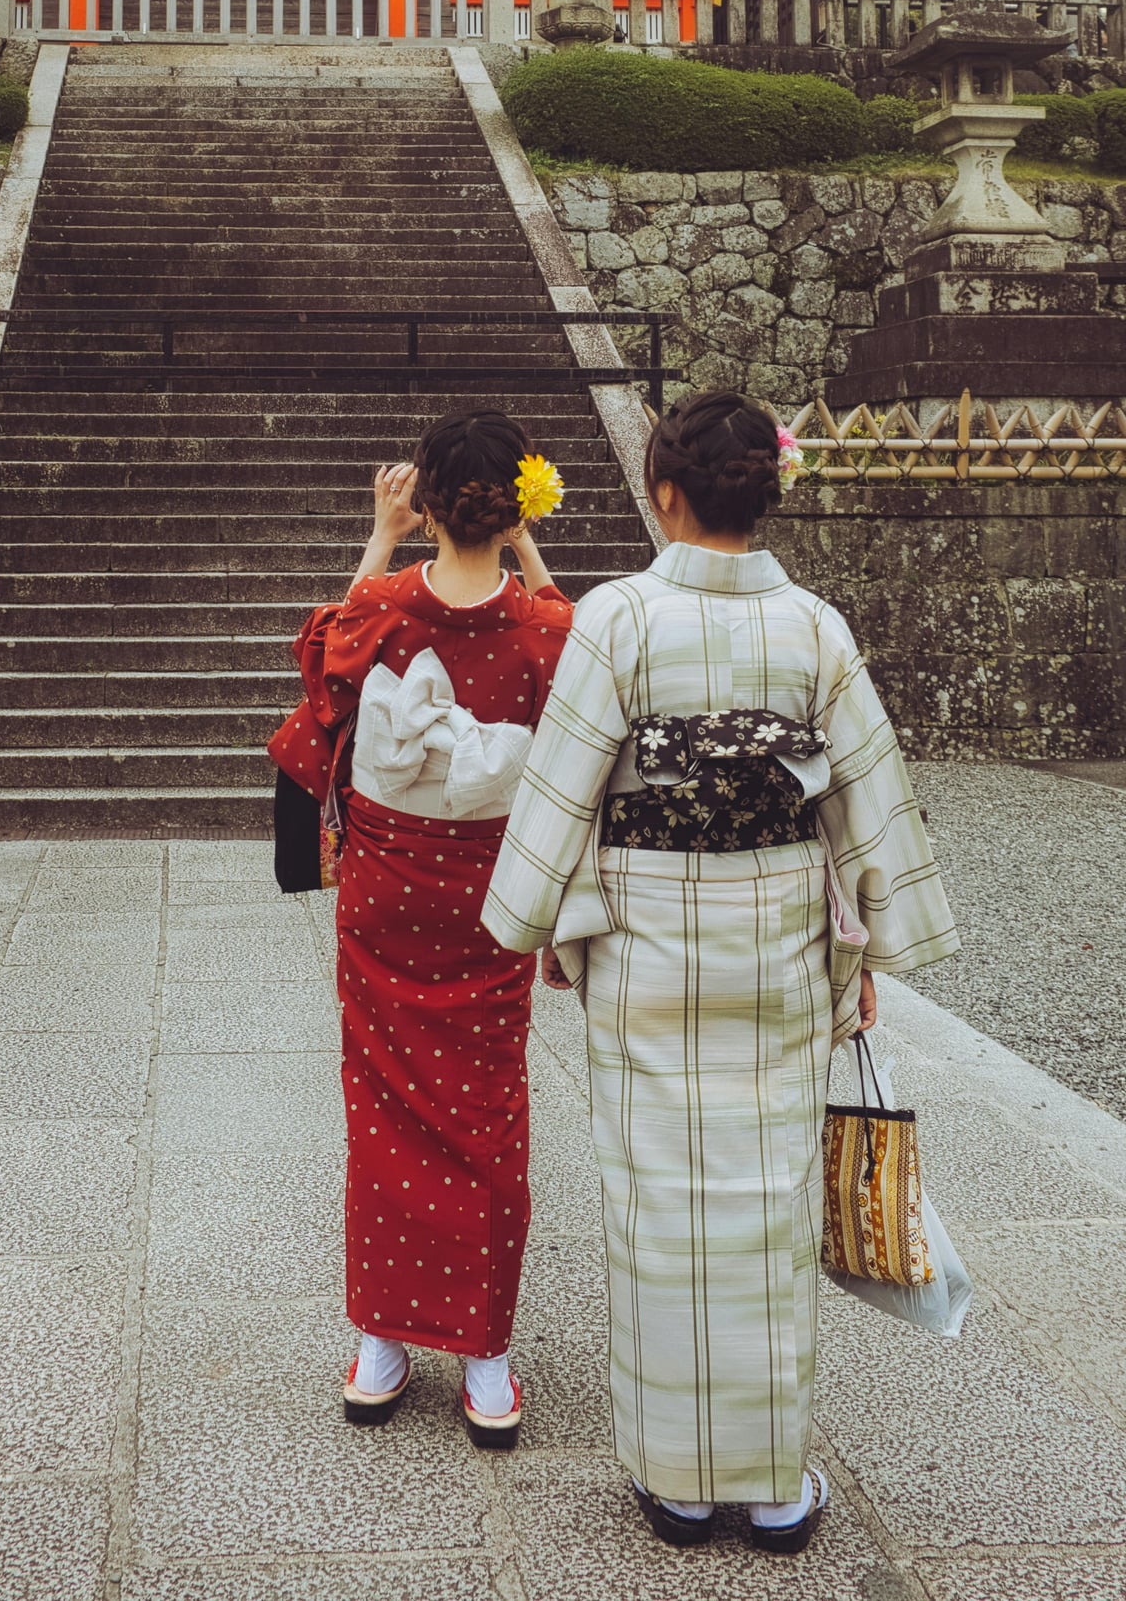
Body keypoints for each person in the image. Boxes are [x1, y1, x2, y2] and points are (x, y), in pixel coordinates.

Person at [483, 391, 959, 1557]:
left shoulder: (618, 619)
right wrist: (870, 941)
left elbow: (565, 786)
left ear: (666, 497)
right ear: (765, 495)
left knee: (659, 1202)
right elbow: (865, 800)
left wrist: (534, 918)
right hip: (782, 937)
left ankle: (681, 1487)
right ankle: (778, 1485)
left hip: (647, 939)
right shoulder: (815, 629)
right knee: (769, 1204)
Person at [273, 409, 573, 1447]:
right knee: (488, 1111)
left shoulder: (385, 610)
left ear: (427, 503)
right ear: (517, 503)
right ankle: (486, 1359)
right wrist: (531, 547)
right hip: (493, 896)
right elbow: (576, 689)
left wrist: (381, 536)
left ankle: (382, 1347)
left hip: (389, 889)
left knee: (384, 1108)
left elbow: (324, 672)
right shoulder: (546, 630)